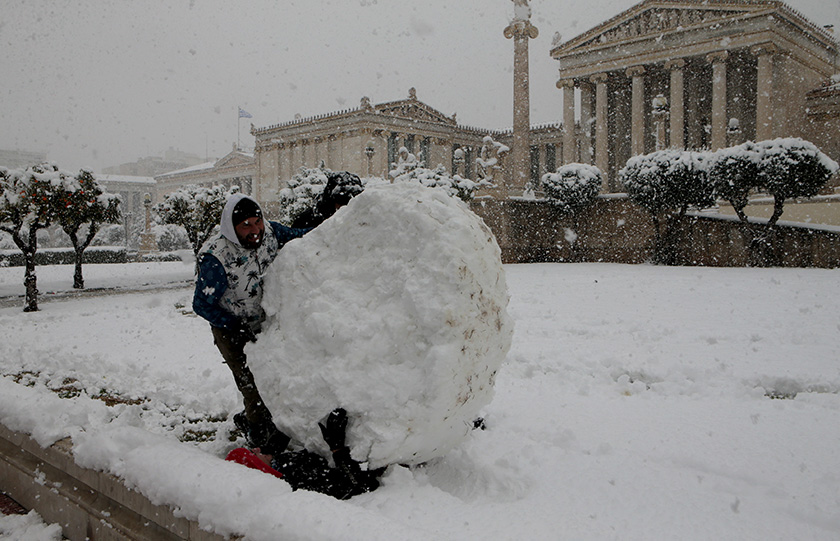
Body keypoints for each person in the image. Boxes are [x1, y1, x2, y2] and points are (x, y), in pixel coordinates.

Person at [193, 193, 309, 456]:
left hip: (264, 322)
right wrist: (234, 325)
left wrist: (338, 223)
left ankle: (268, 426)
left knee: (273, 377)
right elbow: (201, 304)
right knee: (252, 386)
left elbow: (301, 236)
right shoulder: (215, 258)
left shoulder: (270, 233)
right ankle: (258, 439)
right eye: (246, 225)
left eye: (257, 221)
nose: (255, 230)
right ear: (231, 228)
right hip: (230, 329)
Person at [225, 408, 384, 500]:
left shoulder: (278, 467)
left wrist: (272, 449)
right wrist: (337, 448)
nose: (255, 449)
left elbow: (284, 432)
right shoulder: (300, 480)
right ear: (261, 469)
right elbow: (362, 485)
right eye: (253, 454)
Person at [291, 171, 364, 228]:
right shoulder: (308, 221)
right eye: (342, 202)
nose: (345, 208)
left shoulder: (363, 221)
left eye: (352, 202)